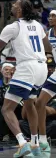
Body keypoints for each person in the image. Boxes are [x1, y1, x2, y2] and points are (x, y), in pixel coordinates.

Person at [0, 0, 51, 157]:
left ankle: (22, 143)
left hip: (27, 67)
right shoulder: (38, 25)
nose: (12, 6)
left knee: (6, 109)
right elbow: (47, 47)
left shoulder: (12, 27)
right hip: (42, 68)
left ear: (19, 11)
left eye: (15, 5)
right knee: (29, 104)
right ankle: (35, 145)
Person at [34, 9, 56, 154]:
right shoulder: (49, 34)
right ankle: (42, 139)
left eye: (54, 16)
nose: (51, 18)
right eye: (50, 16)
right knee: (40, 102)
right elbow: (47, 52)